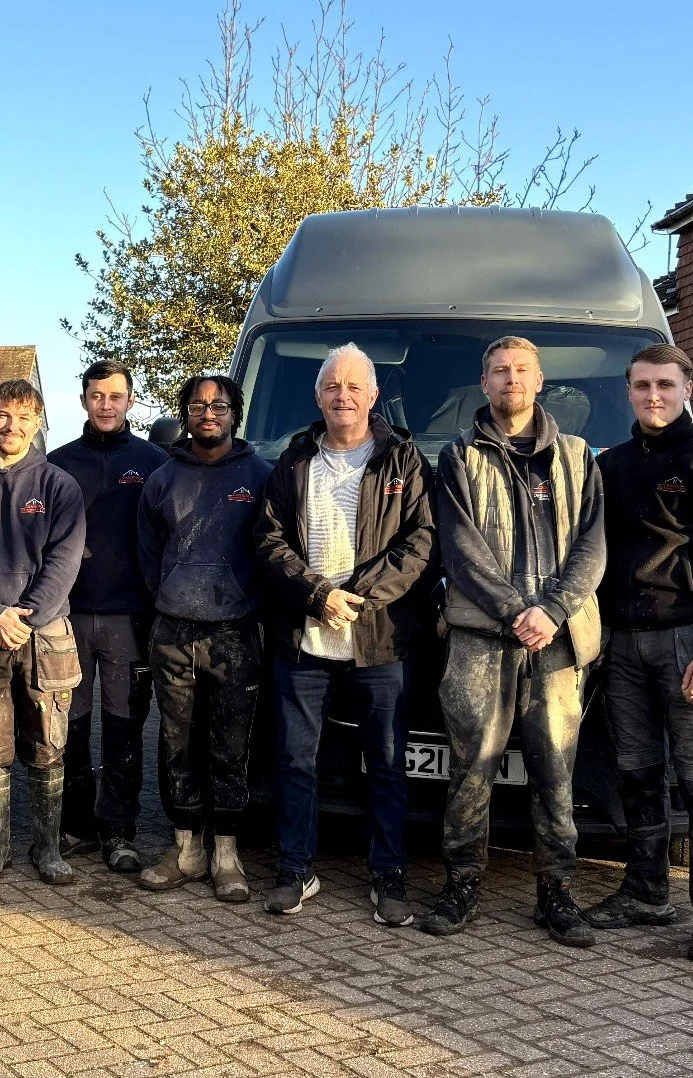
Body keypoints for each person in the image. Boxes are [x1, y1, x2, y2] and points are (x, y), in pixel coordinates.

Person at [424, 335, 606, 947]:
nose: (511, 380)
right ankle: (461, 882)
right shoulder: (458, 458)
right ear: (485, 383)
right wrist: (514, 612)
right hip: (481, 639)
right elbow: (461, 548)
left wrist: (551, 611)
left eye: (521, 370)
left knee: (555, 769)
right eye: (500, 371)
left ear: (540, 378)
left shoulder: (579, 458)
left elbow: (593, 548)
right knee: (471, 766)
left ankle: (556, 891)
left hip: (557, 642)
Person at [256, 344, 435, 923]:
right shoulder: (293, 461)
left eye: (355, 386)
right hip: (304, 638)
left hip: (378, 638)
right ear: (318, 395)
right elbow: (269, 540)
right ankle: (295, 870)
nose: (344, 395)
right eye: (333, 385)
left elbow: (421, 543)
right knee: (295, 760)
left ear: (373, 395)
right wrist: (317, 595)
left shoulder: (402, 462)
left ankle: (388, 876)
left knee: (385, 763)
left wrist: (359, 595)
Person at [586, 342, 693, 962]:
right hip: (623, 645)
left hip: (689, 644)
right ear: (627, 392)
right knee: (637, 774)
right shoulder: (614, 466)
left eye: (664, 385)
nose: (653, 396)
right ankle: (646, 890)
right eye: (641, 386)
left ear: (688, 389)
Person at [135, 374, 272, 902]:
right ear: (185, 415)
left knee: (230, 747)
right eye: (196, 406)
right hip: (173, 631)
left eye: (218, 406)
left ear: (235, 413)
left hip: (235, 634)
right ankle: (185, 847)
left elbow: (273, 552)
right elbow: (149, 556)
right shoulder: (162, 480)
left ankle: (227, 853)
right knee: (175, 742)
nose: (207, 413)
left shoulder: (261, 477)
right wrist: (171, 596)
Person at [0, 379, 86, 884]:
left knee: (48, 741)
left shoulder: (58, 485)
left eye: (24, 416)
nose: (12, 426)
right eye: (3, 415)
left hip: (45, 635)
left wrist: (25, 616)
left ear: (38, 422)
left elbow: (64, 560)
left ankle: (48, 848)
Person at [48, 359, 168, 872]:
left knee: (123, 728)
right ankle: (75, 826)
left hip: (129, 619)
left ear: (130, 401)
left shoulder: (155, 461)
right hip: (67, 617)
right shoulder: (57, 464)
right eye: (97, 396)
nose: (106, 405)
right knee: (70, 727)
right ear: (83, 401)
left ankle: (120, 832)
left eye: (116, 396)